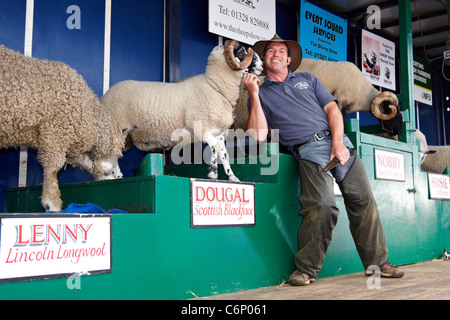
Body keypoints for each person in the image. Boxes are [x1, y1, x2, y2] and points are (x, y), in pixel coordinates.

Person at [243, 34, 404, 286]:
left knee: (363, 200)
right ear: (264, 59)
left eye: (281, 51)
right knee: (322, 205)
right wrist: (253, 93)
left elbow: (332, 110)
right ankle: (306, 269)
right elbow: (258, 134)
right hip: (308, 150)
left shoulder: (308, 79)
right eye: (270, 51)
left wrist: (339, 144)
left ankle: (379, 264)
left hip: (339, 142)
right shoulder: (261, 91)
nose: (276, 54)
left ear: (289, 59)